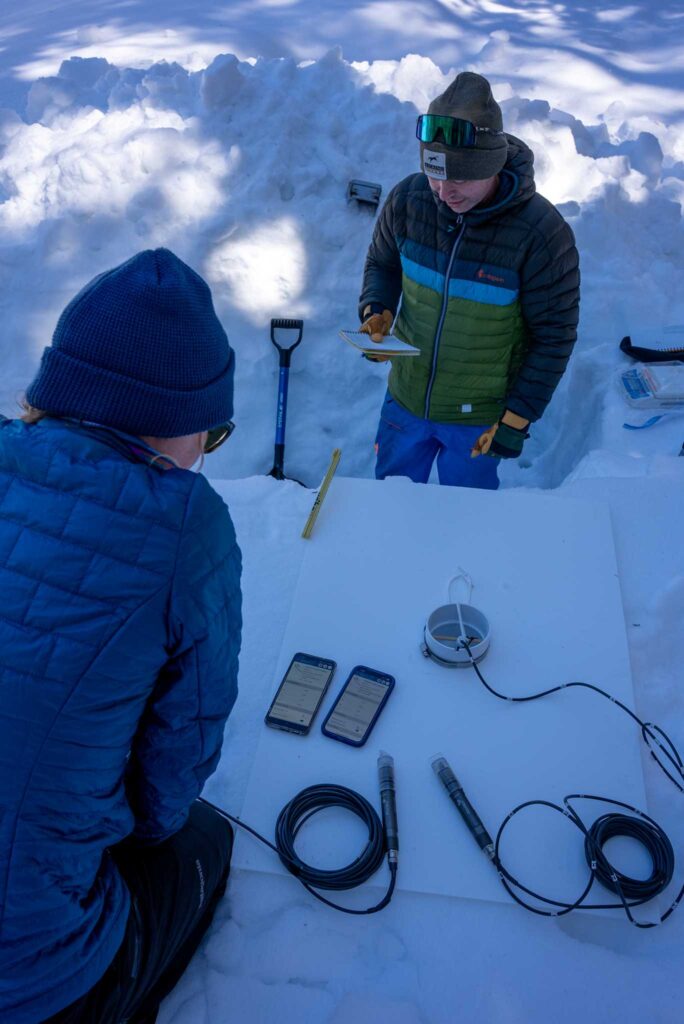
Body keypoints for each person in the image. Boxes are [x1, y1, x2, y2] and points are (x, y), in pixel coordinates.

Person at [0, 249, 242, 1024]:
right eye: (210, 431)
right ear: (176, 429)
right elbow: (174, 771)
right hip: (30, 983)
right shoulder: (185, 527)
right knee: (201, 840)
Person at [358, 71, 580, 488]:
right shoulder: (409, 200)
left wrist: (517, 418)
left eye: (459, 178)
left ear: (492, 165)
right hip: (405, 404)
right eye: (435, 175)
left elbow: (554, 335)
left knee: (467, 521)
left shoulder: (541, 234)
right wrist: (376, 310)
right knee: (389, 508)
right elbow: (383, 264)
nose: (443, 192)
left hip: (478, 417)